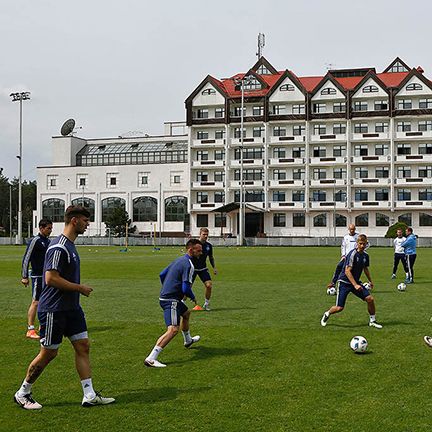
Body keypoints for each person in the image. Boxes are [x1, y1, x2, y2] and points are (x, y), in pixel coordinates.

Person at [14, 206, 115, 410]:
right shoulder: (59, 247)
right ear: (75, 221)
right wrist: (80, 288)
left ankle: (89, 395)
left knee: (83, 346)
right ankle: (23, 392)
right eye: (86, 220)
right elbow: (50, 278)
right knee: (49, 353)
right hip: (54, 309)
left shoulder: (70, 245)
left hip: (71, 309)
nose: (88, 224)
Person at [145, 238, 202, 368]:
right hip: (171, 300)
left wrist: (167, 287)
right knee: (173, 330)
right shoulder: (189, 265)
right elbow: (185, 288)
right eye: (198, 251)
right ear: (190, 250)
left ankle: (188, 340)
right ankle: (151, 358)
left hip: (169, 298)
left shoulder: (179, 260)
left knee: (186, 313)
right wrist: (192, 297)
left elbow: (162, 274)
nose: (201, 253)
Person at [321, 234, 382, 329]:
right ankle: (327, 313)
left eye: (364, 244)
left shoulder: (366, 255)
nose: (362, 246)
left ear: (366, 244)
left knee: (370, 299)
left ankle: (372, 321)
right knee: (339, 308)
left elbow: (365, 268)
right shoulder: (352, 254)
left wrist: (370, 281)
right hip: (344, 283)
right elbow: (347, 271)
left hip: (356, 282)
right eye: (360, 244)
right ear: (357, 244)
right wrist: (355, 285)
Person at [21, 219, 52, 339]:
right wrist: (24, 276)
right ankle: (30, 329)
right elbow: (26, 258)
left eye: (51, 228)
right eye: (48, 228)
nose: (50, 230)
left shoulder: (47, 241)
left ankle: (42, 326)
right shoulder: (35, 240)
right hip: (37, 276)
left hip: (46, 276)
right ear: (41, 228)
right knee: (36, 302)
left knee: (45, 301)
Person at [327, 224, 361, 289]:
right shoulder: (346, 237)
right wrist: (343, 255)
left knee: (353, 272)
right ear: (348, 229)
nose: (352, 230)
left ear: (355, 229)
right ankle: (333, 283)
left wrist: (360, 251)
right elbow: (343, 246)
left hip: (355, 257)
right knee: (339, 267)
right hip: (346, 257)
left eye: (353, 229)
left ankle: (358, 284)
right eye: (351, 229)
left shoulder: (358, 237)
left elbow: (367, 244)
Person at [191, 227, 217, 311]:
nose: (205, 236)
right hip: (193, 269)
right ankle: (182, 303)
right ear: (200, 234)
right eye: (204, 234)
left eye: (207, 235)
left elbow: (211, 257)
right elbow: (188, 256)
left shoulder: (209, 246)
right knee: (188, 287)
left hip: (203, 269)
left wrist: (214, 268)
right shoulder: (194, 244)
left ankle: (206, 304)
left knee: (209, 286)